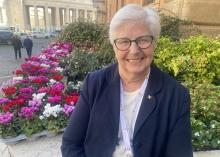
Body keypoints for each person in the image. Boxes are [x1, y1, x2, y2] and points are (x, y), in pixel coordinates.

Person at [61, 4, 193, 157]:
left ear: (154, 43)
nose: (134, 50)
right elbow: (71, 144)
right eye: (124, 41)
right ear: (114, 46)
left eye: (143, 40)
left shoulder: (176, 95)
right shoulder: (95, 83)